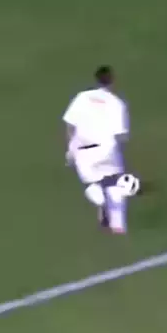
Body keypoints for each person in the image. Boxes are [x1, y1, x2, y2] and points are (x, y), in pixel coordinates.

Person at [62, 66, 130, 233]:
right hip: (106, 149)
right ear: (112, 80)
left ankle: (100, 200)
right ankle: (118, 225)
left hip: (83, 150)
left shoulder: (82, 97)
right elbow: (121, 135)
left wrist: (71, 150)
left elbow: (70, 124)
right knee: (115, 184)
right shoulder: (116, 103)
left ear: (96, 80)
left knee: (92, 183)